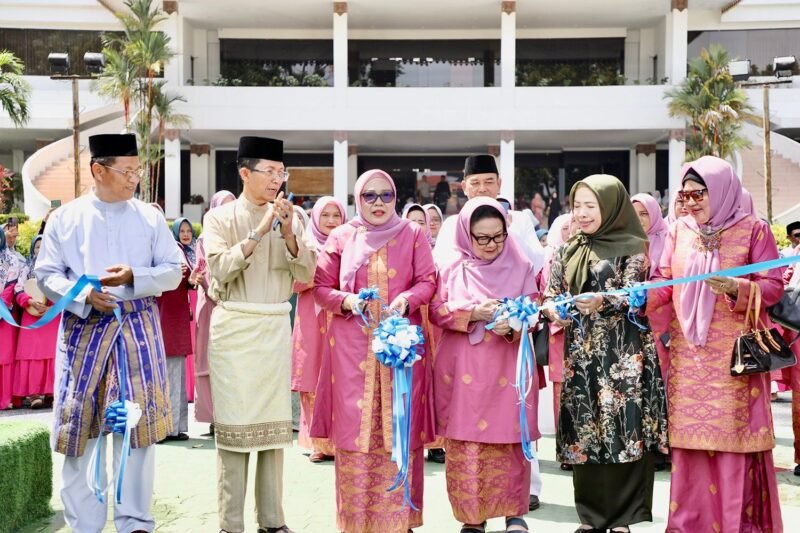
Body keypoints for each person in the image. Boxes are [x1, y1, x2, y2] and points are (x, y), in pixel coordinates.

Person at [35, 133, 183, 532]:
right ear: (98, 170)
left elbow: (174, 269)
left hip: (137, 332)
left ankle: (135, 521)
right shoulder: (66, 218)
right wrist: (83, 293)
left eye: (138, 170)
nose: (135, 177)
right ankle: (85, 522)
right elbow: (46, 274)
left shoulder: (150, 217)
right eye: (127, 170)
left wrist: (136, 276)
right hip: (84, 333)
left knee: (135, 430)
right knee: (80, 431)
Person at [648, 156, 784, 532]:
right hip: (689, 360)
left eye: (698, 195)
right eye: (684, 195)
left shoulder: (753, 229)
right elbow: (662, 280)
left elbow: (772, 285)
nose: (690, 203)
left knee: (732, 447)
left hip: (733, 361)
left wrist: (737, 288)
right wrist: (626, 300)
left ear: (720, 190)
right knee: (690, 448)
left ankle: (733, 524)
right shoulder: (679, 231)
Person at [311, 169, 436, 533]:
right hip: (352, 354)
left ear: (396, 197)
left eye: (386, 196)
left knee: (400, 425)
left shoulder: (412, 234)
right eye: (370, 196)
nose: (379, 203)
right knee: (356, 431)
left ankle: (399, 522)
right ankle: (356, 521)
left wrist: (406, 300)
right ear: (357, 199)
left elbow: (428, 281)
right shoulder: (341, 236)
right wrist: (348, 301)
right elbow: (320, 287)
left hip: (400, 350)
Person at [542, 174, 668, 533]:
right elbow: (551, 293)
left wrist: (603, 300)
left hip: (623, 354)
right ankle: (591, 516)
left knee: (624, 430)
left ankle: (623, 518)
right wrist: (553, 310)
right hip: (581, 355)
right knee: (586, 431)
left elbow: (635, 294)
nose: (581, 214)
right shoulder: (569, 247)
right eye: (576, 205)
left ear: (611, 206)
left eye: (590, 206)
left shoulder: (632, 244)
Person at [203, 136, 315, 533]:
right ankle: (230, 524)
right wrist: (261, 228)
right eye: (268, 172)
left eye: (280, 172)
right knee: (234, 430)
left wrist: (286, 233)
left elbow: (307, 274)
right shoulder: (219, 218)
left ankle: (272, 521)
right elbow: (219, 269)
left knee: (272, 430)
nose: (276, 180)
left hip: (272, 328)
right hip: (234, 330)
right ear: (244, 172)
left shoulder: (295, 218)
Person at [433, 155, 546, 507]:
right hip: (464, 366)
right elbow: (437, 306)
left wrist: (514, 322)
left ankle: (516, 511)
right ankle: (471, 516)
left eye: (497, 237)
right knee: (466, 443)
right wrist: (472, 312)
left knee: (512, 436)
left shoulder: (520, 240)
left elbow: (534, 300)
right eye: (481, 239)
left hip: (507, 364)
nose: (491, 245)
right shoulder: (452, 254)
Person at [291, 196, 346, 463]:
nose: (332, 221)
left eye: (336, 215)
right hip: (311, 320)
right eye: (326, 215)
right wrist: (321, 276)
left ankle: (338, 441)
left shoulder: (351, 243)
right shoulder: (304, 246)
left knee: (340, 378)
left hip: (340, 317)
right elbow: (294, 282)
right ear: (315, 218)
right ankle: (317, 441)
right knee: (312, 378)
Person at [433, 155, 545, 275]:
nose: (482, 189)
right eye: (475, 183)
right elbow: (441, 266)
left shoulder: (519, 219)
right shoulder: (452, 224)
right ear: (464, 187)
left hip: (514, 292)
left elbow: (537, 264)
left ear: (499, 184)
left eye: (489, 182)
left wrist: (509, 230)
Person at [193, 190, 236, 434]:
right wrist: (222, 294)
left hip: (235, 307)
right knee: (209, 360)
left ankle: (231, 415)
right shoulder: (204, 239)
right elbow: (205, 273)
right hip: (212, 305)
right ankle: (213, 417)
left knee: (232, 361)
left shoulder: (240, 236)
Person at [535, 212, 572, 468]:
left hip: (587, 328)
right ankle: (566, 450)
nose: (571, 231)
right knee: (562, 392)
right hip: (559, 331)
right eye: (566, 227)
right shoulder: (552, 256)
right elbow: (546, 291)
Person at [155, 217, 196, 442]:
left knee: (177, 370)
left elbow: (190, 282)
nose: (186, 234)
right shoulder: (164, 251)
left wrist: (190, 275)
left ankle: (177, 426)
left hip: (178, 316)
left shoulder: (187, 252)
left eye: (189, 230)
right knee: (166, 371)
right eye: (182, 230)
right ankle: (164, 427)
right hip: (165, 316)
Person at [12, 235, 58, 409]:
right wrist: (29, 301)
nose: (40, 250)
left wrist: (51, 308)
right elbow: (17, 289)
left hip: (50, 316)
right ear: (33, 249)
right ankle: (34, 395)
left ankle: (51, 393)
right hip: (31, 316)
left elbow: (61, 290)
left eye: (43, 246)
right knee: (31, 355)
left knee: (51, 354)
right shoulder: (25, 268)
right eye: (37, 247)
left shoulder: (55, 268)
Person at [0, 225, 22, 410]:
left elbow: (11, 287)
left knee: (5, 356)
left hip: (5, 315)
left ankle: (6, 398)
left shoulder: (12, 260)